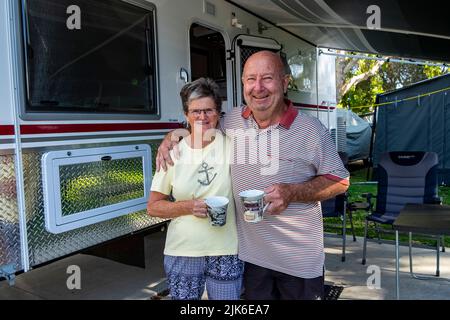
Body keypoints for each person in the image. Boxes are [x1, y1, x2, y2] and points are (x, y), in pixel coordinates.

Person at [156, 51, 349, 300]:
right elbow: (200, 120)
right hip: (251, 258)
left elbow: (341, 180)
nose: (258, 88)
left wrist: (293, 192)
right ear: (244, 84)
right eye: (250, 79)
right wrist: (172, 136)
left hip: (298, 260)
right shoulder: (233, 121)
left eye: (267, 78)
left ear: (284, 82)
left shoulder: (311, 130)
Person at [147, 77, 243, 300]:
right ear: (186, 115)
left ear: (219, 113)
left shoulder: (234, 145)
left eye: (209, 110)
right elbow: (153, 207)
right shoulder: (172, 152)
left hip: (226, 249)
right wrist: (187, 207)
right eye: (196, 111)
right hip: (183, 251)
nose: (202, 117)